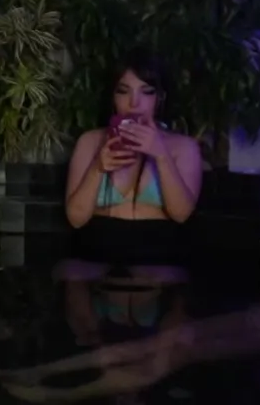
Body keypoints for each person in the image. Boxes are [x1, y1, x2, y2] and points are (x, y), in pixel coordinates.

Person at [63, 50, 203, 263]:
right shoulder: (90, 141)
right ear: (113, 97)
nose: (134, 103)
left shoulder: (184, 147)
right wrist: (97, 167)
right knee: (72, 272)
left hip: (159, 253)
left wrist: (161, 155)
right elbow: (75, 218)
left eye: (146, 92)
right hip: (96, 249)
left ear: (160, 97)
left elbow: (181, 214)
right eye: (123, 91)